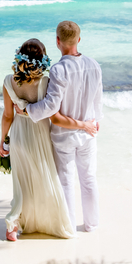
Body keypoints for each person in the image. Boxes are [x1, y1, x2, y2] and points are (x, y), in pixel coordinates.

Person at [0, 39, 97, 241]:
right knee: (44, 180)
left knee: (22, 183)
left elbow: (8, 116)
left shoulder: (8, 81)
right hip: (40, 137)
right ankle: (48, 222)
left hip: (18, 136)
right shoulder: (45, 83)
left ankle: (13, 225)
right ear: (42, 59)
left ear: (19, 57)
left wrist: (3, 141)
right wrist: (84, 122)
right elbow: (53, 114)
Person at [22, 21, 103, 232]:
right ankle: (92, 225)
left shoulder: (59, 69)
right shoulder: (94, 64)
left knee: (66, 182)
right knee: (89, 179)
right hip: (88, 132)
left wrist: (27, 110)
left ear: (58, 42)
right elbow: (98, 99)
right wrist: (96, 121)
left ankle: (69, 228)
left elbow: (51, 106)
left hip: (64, 136)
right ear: (79, 39)